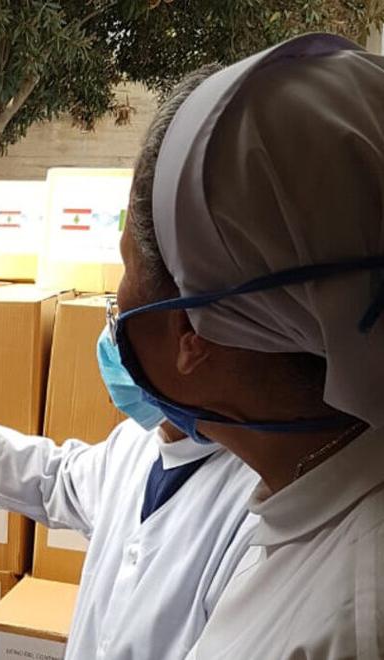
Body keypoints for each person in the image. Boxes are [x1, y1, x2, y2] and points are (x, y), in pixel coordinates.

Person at [0, 69, 263, 655]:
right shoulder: (138, 447)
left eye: (124, 290)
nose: (111, 325)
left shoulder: (253, 515)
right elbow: (54, 476)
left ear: (189, 334)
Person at [111, 33, 384, 657]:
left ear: (190, 334)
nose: (114, 302)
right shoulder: (318, 506)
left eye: (125, 266)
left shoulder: (346, 623)